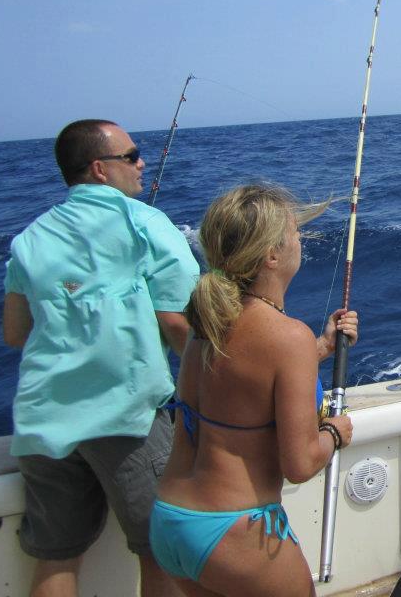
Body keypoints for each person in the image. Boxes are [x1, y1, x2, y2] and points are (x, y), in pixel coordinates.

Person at [2, 119, 200, 597]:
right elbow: (180, 325)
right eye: (131, 156)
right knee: (162, 554)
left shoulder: (30, 238)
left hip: (43, 421)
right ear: (99, 169)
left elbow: (14, 333)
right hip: (126, 421)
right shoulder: (146, 223)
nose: (142, 163)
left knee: (56, 560)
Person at [148, 184, 357, 597]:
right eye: (294, 232)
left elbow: (239, 380)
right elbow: (299, 464)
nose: (301, 239)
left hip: (171, 522)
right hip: (234, 530)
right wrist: (336, 432)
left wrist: (321, 348)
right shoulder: (286, 337)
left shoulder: (204, 324)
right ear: (272, 256)